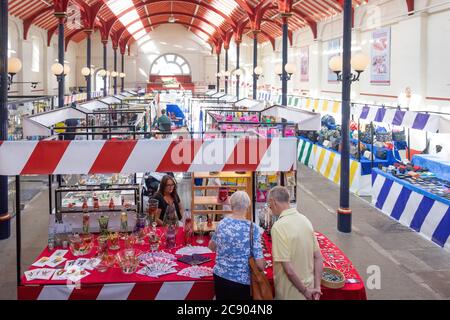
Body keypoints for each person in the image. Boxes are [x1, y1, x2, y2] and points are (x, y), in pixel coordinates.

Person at [268, 186, 323, 300]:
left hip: (289, 293)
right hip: (310, 290)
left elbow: (289, 269)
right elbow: (318, 257)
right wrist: (317, 287)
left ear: (274, 202)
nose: (270, 208)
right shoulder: (305, 220)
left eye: (269, 204)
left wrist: (304, 291)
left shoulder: (279, 227)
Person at [208, 191, 265, 300]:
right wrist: (264, 263)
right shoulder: (253, 228)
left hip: (220, 276)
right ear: (248, 206)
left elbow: (211, 247)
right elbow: (259, 264)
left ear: (231, 205)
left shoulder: (222, 223)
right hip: (241, 280)